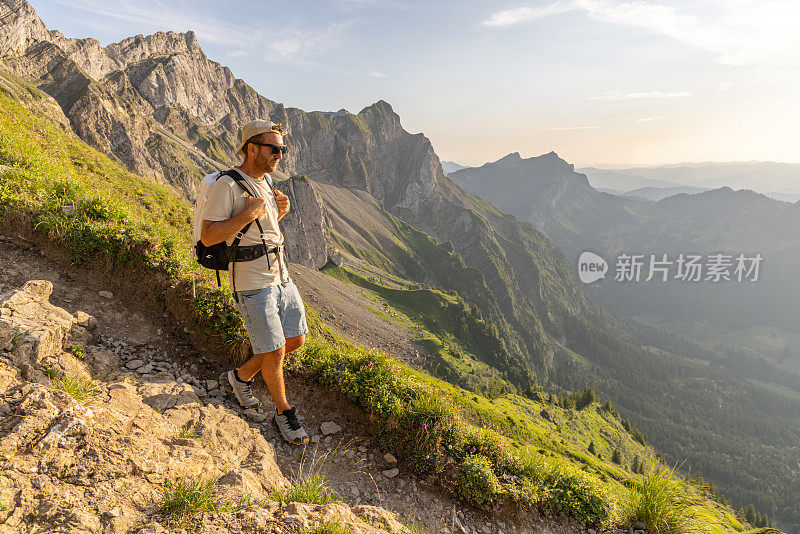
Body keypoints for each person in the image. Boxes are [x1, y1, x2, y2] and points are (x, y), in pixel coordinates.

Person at [200, 119, 309, 445]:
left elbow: (259, 231)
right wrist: (248, 214)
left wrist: (279, 213)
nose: (279, 154)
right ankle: (284, 412)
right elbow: (208, 236)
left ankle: (240, 377)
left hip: (281, 276)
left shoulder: (265, 182)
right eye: (273, 148)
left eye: (282, 149)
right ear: (251, 148)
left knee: (295, 340)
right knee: (274, 351)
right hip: (251, 282)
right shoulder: (227, 185)